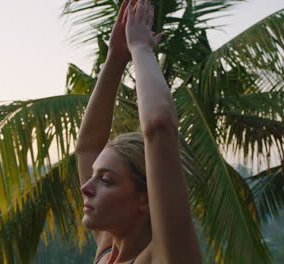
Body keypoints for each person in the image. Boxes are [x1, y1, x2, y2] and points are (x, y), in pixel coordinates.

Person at [75, 0, 203, 263]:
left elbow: (159, 126)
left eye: (106, 180)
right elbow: (87, 147)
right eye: (95, 175)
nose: (85, 187)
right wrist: (115, 56)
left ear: (146, 200)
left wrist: (141, 49)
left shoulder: (168, 255)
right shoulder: (108, 250)